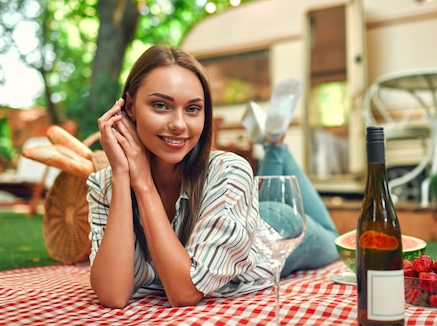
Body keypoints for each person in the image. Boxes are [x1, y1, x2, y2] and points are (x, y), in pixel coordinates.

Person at [87, 45, 338, 309]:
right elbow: (113, 295)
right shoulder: (105, 184)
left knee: (335, 242)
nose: (179, 124)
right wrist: (123, 175)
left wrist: (143, 183)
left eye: (193, 109)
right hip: (231, 214)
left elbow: (184, 293)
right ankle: (273, 143)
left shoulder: (228, 171)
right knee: (260, 192)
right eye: (160, 105)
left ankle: (275, 145)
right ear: (129, 108)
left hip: (272, 226)